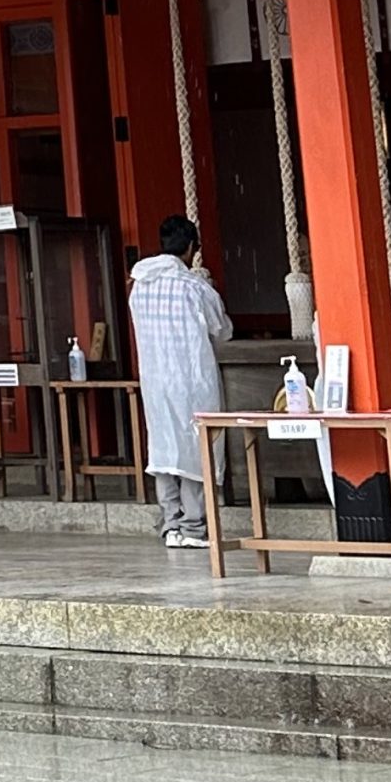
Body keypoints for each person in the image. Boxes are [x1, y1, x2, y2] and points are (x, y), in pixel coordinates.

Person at [129, 215, 231, 549]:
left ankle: (171, 524)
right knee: (194, 450)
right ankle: (193, 527)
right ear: (190, 248)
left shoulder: (139, 285)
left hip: (155, 379)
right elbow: (222, 330)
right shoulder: (195, 287)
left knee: (163, 449)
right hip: (191, 378)